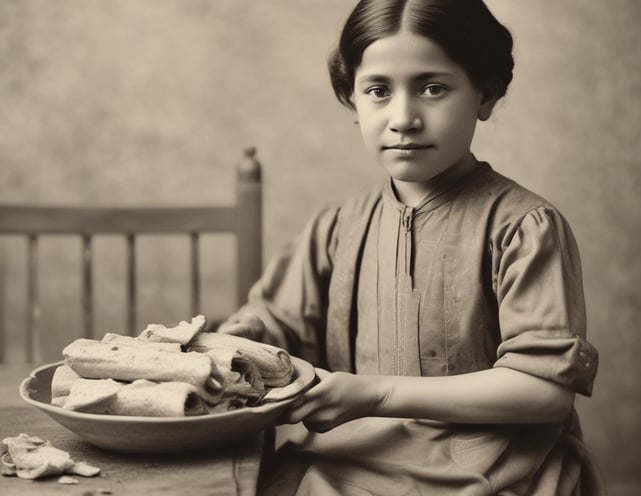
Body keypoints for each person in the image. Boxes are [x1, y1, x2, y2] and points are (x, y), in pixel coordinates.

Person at [219, 0, 603, 494]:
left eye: (433, 88)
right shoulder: (338, 226)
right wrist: (229, 343)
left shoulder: (525, 226)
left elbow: (544, 391)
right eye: (378, 90)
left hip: (496, 467)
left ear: (484, 95)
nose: (403, 118)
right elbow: (274, 326)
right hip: (351, 458)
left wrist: (378, 394)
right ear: (352, 101)